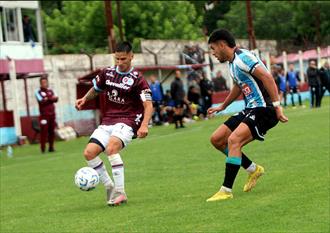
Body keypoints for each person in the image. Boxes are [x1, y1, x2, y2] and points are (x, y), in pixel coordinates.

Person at [206, 29, 288, 202]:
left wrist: (277, 107)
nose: (212, 53)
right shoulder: (232, 62)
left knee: (234, 140)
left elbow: (268, 78)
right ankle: (253, 169)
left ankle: (226, 190)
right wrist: (223, 106)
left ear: (222, 45)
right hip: (251, 108)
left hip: (265, 109)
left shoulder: (244, 57)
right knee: (217, 139)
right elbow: (238, 86)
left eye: (213, 49)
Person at [75, 41, 153, 206]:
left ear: (132, 56)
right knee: (89, 153)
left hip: (129, 119)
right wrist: (84, 99)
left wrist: (144, 124)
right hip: (109, 119)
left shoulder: (138, 79)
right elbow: (96, 89)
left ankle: (120, 192)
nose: (119, 62)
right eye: (117, 59)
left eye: (123, 59)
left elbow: (148, 105)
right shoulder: (107, 73)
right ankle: (109, 185)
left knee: (111, 149)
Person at [35, 77, 58, 153]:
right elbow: (42, 101)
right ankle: (43, 149)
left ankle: (51, 147)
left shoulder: (50, 91)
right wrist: (50, 99)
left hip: (52, 115)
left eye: (45, 82)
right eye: (43, 82)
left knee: (52, 131)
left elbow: (56, 99)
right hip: (44, 116)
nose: (44, 84)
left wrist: (47, 98)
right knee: (44, 132)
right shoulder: (38, 92)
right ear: (40, 83)